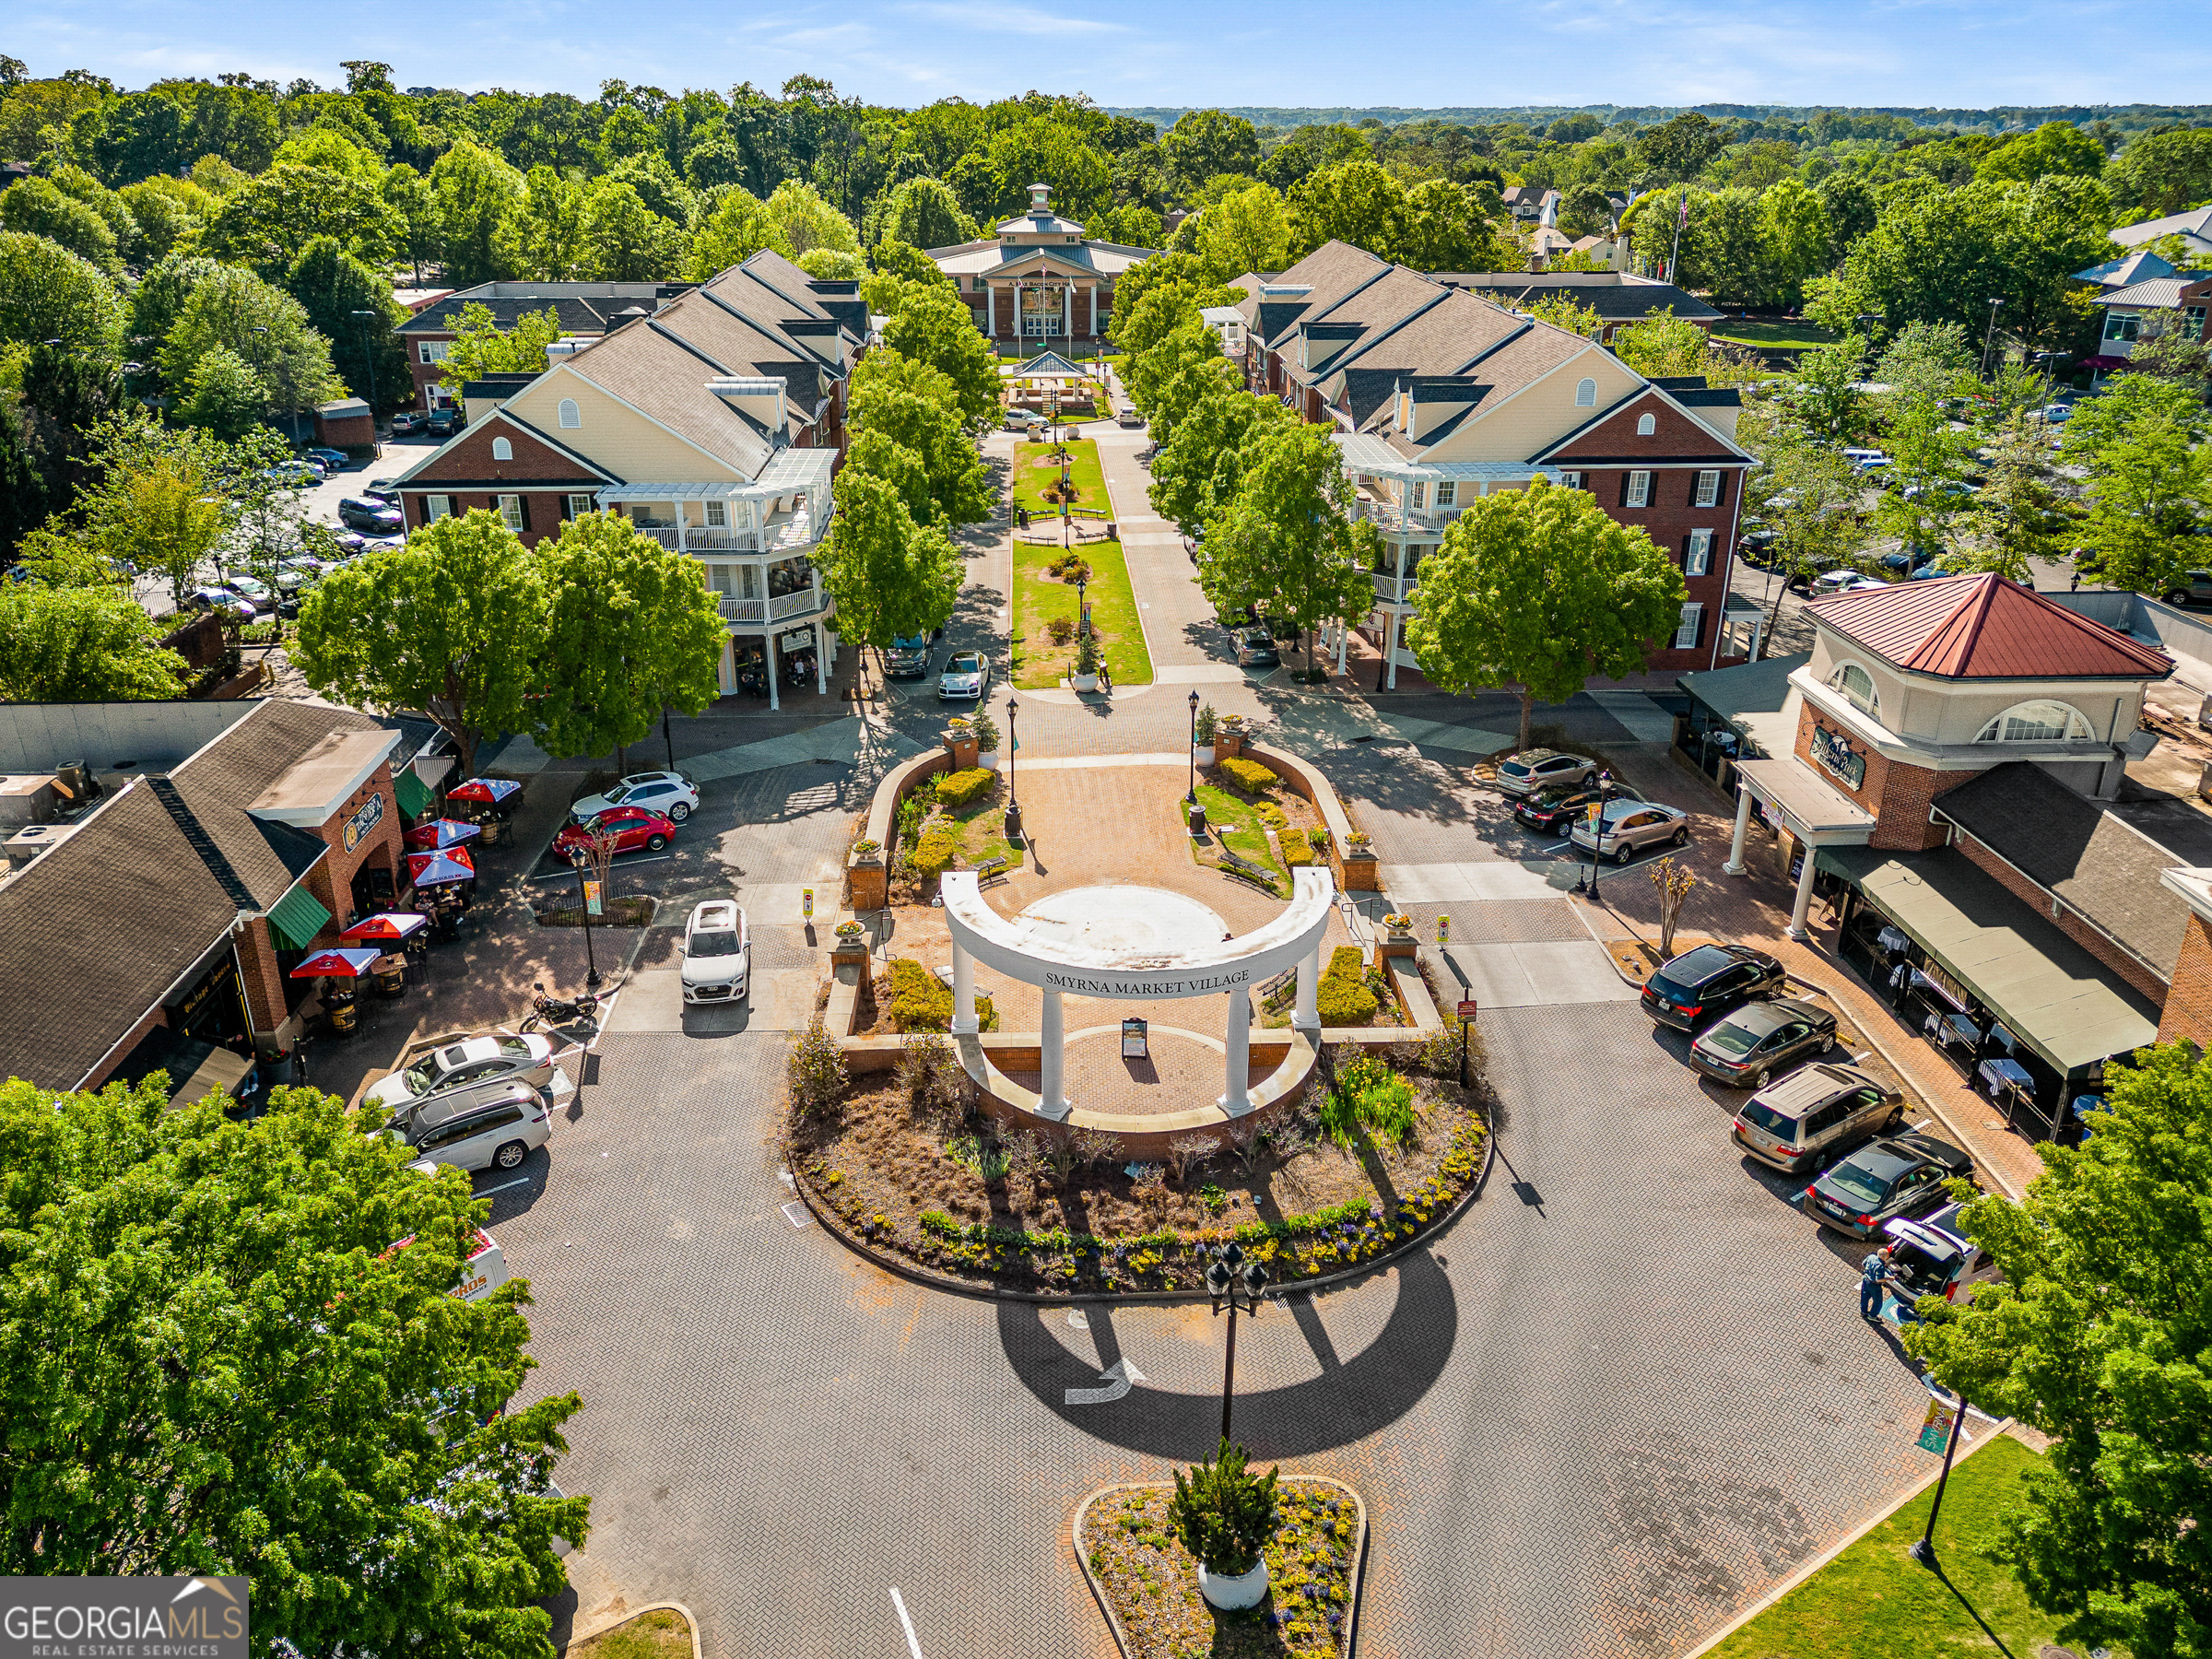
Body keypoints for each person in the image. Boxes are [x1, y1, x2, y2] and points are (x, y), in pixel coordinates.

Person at [1860, 1244, 1895, 1320]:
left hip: (1866, 1280)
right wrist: (1889, 1278)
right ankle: (1872, 1316)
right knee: (1878, 1301)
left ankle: (1863, 1312)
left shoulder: (1871, 1256)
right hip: (1874, 1285)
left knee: (1864, 1297)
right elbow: (1878, 1279)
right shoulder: (1880, 1266)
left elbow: (1863, 1264)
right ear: (1884, 1257)